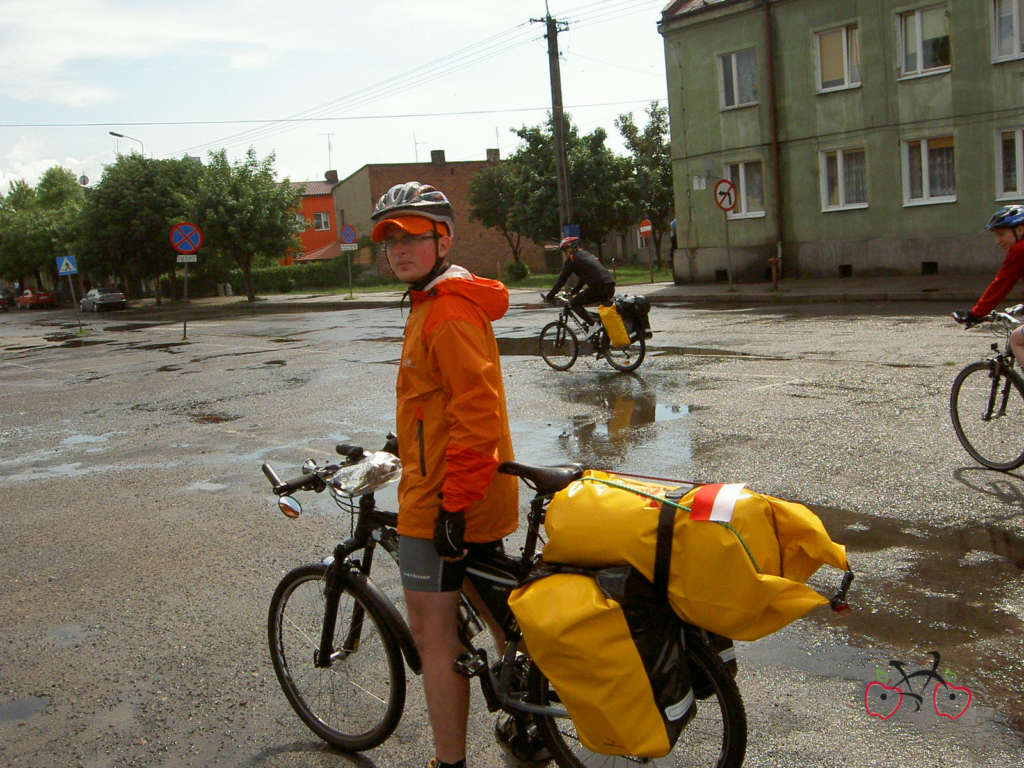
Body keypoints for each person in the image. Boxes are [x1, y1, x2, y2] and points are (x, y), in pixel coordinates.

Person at [370, 181, 519, 768]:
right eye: (389, 240)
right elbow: (439, 402)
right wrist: (405, 439)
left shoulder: (447, 312)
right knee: (501, 615)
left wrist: (450, 506)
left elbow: (475, 415)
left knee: (435, 641)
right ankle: (531, 717)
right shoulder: (434, 301)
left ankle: (449, 763)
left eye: (411, 236)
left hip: (444, 502)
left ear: (444, 239)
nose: (399, 249)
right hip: (468, 490)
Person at [953, 205, 1024, 365]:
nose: (997, 241)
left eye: (1001, 234)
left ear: (1019, 230)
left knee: (1017, 339)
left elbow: (1002, 284)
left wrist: (975, 314)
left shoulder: (1020, 250)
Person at [544, 235, 615, 333]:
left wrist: (549, 296)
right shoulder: (586, 254)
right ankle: (604, 343)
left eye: (565, 250)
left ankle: (593, 325)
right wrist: (574, 291)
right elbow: (583, 279)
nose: (565, 253)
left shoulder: (572, 259)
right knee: (604, 315)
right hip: (610, 285)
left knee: (573, 304)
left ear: (571, 248)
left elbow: (562, 280)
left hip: (598, 287)